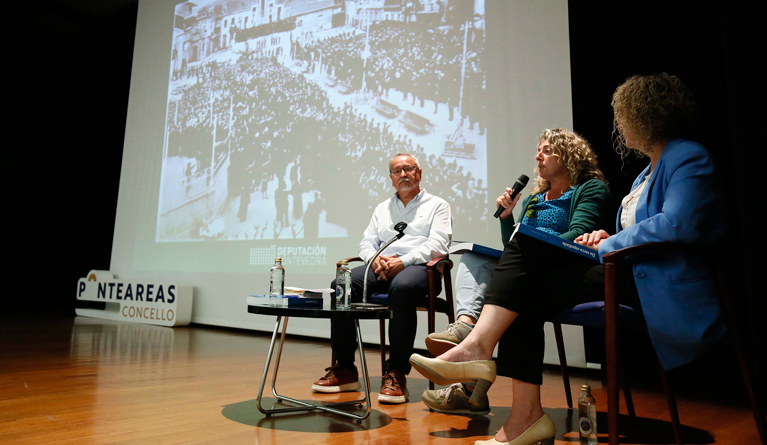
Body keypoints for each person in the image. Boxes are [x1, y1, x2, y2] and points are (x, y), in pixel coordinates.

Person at [410, 73, 725, 445]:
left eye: (623, 117)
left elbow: (678, 223)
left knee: (524, 276)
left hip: (656, 284)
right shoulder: (645, 173)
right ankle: (522, 413)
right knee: (522, 295)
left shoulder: (687, 155)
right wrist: (609, 237)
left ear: (644, 115)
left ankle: (477, 348)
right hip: (625, 271)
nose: (619, 127)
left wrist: (610, 241)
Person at [422, 128, 614, 415]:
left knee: (517, 293)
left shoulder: (589, 187)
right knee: (474, 257)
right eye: (539, 150)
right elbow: (512, 246)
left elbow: (578, 234)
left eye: (547, 150)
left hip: (566, 266)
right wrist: (506, 217)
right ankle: (465, 327)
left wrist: (534, 242)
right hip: (529, 265)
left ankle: (471, 373)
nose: (539, 155)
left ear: (569, 154)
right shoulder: (534, 199)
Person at [311, 153, 452, 404]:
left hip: (420, 269)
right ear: (391, 178)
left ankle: (396, 371)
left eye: (408, 169)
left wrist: (403, 262)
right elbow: (366, 242)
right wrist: (374, 259)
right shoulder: (382, 208)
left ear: (419, 173)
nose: (403, 175)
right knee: (341, 285)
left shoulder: (437, 205)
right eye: (397, 171)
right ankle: (345, 368)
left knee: (402, 286)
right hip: (381, 267)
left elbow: (439, 245)